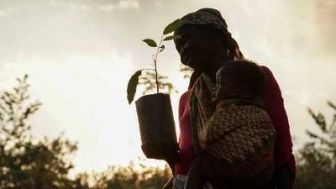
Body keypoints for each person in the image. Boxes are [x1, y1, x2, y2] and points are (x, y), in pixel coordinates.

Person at [171, 8, 296, 189]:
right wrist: (168, 155)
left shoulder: (256, 77)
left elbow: (282, 149)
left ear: (215, 35)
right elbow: (183, 167)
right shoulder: (187, 100)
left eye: (187, 39)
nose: (183, 50)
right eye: (178, 48)